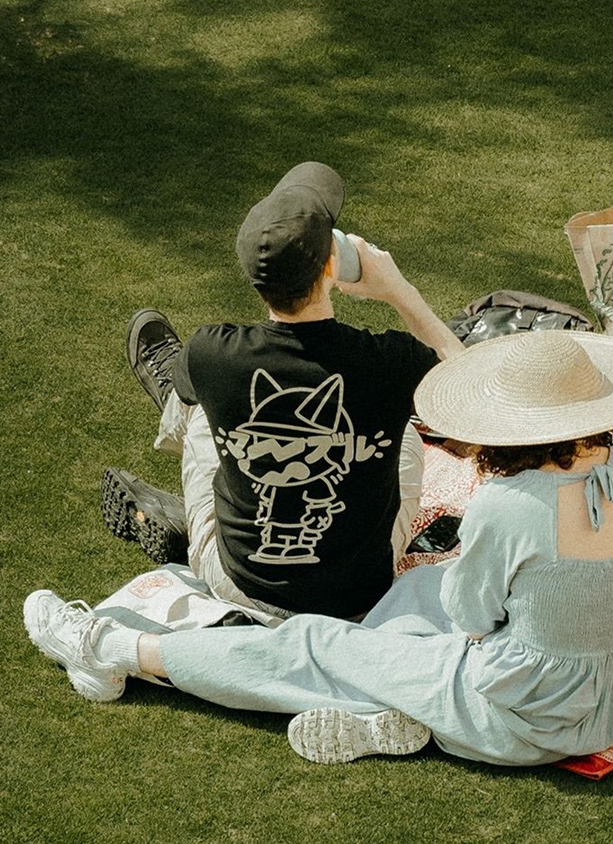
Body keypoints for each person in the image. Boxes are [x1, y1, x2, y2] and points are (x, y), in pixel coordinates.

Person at [23, 330, 613, 766]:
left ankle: (110, 650)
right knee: (415, 591)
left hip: (522, 718)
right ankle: (393, 703)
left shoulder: (508, 506)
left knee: (313, 646)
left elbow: (473, 616)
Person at [101, 162, 464, 623]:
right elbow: (473, 393)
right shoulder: (390, 363)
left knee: (195, 407)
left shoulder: (212, 353)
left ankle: (198, 523)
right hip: (360, 595)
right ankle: (196, 522)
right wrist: (398, 289)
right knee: (405, 428)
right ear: (333, 265)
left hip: (239, 583)